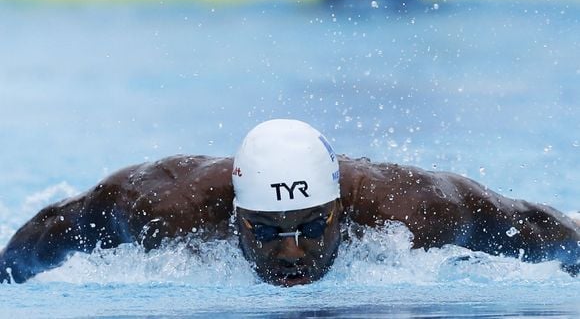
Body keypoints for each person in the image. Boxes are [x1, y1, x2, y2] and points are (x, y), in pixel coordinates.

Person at [1, 119, 578, 285]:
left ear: (339, 210)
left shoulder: (412, 210)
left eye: (310, 226)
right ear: (235, 216)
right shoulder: (166, 207)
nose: (292, 250)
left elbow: (529, 223)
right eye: (267, 232)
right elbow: (59, 224)